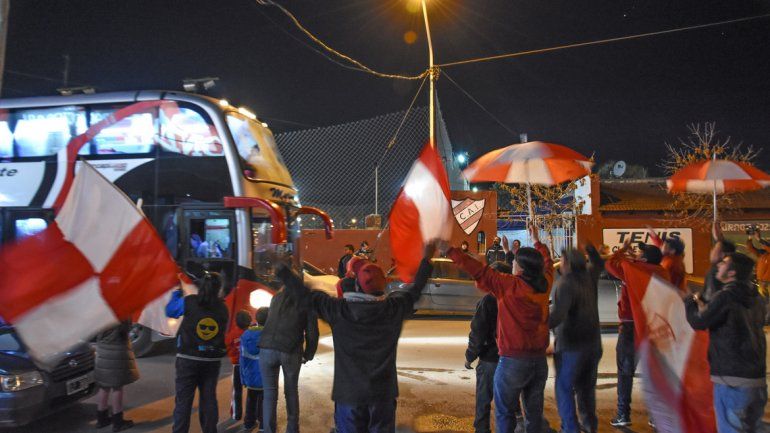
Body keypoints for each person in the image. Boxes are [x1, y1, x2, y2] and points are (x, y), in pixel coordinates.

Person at [274, 241, 437, 433]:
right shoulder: (393, 308)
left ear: (357, 286)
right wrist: (426, 259)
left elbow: (305, 296)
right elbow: (416, 289)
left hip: (349, 396)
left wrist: (282, 270)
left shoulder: (339, 310)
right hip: (382, 395)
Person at [449, 223, 554, 433]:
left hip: (513, 361)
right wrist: (536, 241)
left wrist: (451, 251)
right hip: (538, 362)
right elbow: (548, 261)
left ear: (520, 268)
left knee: (505, 413)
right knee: (533, 414)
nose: (512, 262)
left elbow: (479, 271)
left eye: (514, 261)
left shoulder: (509, 286)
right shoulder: (545, 283)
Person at [684, 252, 767, 433]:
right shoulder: (758, 299)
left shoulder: (726, 296)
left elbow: (699, 321)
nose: (719, 265)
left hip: (732, 380)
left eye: (724, 263)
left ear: (732, 273)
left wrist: (689, 301)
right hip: (757, 380)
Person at [604, 239, 669, 428]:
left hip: (630, 327)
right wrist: (635, 260)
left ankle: (623, 413)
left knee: (625, 372)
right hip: (654, 327)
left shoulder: (633, 270)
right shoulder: (662, 273)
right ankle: (656, 416)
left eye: (641, 253)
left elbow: (610, 264)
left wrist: (624, 250)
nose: (638, 254)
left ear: (645, 259)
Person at [166, 272, 230, 433]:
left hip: (187, 358)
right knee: (209, 399)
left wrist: (177, 292)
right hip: (211, 360)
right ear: (218, 289)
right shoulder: (223, 308)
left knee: (183, 401)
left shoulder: (189, 301)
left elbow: (170, 311)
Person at [549, 245, 603, 433]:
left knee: (564, 389)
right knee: (586, 390)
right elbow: (599, 264)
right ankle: (589, 426)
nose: (560, 264)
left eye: (562, 261)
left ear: (568, 263)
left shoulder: (565, 284)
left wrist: (536, 325)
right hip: (593, 344)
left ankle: (570, 428)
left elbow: (558, 315)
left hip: (571, 346)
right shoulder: (589, 277)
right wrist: (592, 250)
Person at [259, 274, 319, 433]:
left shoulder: (276, 297)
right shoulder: (307, 301)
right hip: (290, 350)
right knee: (291, 391)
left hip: (266, 348)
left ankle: (269, 430)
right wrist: (308, 354)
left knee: (269, 394)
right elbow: (312, 332)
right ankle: (292, 429)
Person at [465, 261, 510, 433]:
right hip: (512, 360)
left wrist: (470, 356)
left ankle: (482, 429)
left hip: (490, 359)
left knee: (484, 399)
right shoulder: (515, 298)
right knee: (508, 402)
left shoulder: (488, 301)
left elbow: (478, 332)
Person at [94, 320, 139, 432]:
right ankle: (118, 421)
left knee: (103, 386)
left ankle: (101, 419)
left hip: (102, 350)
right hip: (117, 350)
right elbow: (124, 330)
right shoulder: (120, 314)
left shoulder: (100, 313)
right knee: (117, 387)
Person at [241, 307, 270, 432]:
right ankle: (263, 426)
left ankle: (248, 423)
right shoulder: (270, 335)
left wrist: (243, 378)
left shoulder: (245, 335)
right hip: (266, 377)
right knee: (265, 401)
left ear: (256, 319)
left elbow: (242, 359)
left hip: (250, 376)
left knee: (251, 400)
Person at [229, 310, 253, 422]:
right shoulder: (251, 333)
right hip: (250, 365)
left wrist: (233, 354)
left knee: (236, 391)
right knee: (252, 391)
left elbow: (227, 346)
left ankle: (236, 414)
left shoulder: (232, 334)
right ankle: (252, 415)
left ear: (236, 321)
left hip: (237, 365)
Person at [646, 226, 687, 291]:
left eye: (664, 246)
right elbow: (660, 245)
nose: (661, 247)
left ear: (672, 251)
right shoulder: (674, 256)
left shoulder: (670, 263)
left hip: (671, 293)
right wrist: (654, 236)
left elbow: (663, 281)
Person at [746, 230, 770, 323]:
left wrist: (759, 239)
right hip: (761, 282)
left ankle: (767, 319)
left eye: (766, 244)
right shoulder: (762, 254)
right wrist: (750, 237)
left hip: (768, 281)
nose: (763, 246)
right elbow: (750, 248)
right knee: (763, 301)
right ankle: (764, 319)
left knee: (768, 302)